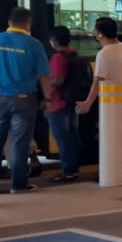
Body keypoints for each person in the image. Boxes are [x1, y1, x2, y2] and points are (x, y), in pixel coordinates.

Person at [0, 6, 51, 194]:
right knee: (20, 143)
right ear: (28, 23)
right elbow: (44, 76)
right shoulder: (34, 44)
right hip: (24, 100)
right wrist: (48, 99)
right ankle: (18, 184)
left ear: (9, 23)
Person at [78, 16, 122, 160]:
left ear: (100, 33)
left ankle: (113, 170)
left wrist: (88, 103)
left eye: (95, 30)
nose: (93, 33)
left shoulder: (104, 53)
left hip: (112, 106)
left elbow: (98, 80)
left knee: (111, 142)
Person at [44, 25, 83, 183]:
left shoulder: (58, 57)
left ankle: (68, 171)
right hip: (72, 101)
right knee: (72, 136)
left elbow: (58, 80)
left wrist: (45, 82)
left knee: (62, 138)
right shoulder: (73, 53)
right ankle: (74, 168)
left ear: (54, 40)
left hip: (58, 102)